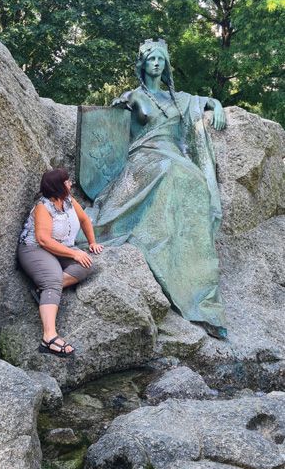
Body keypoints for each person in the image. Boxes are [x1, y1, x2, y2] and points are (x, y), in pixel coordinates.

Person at [86, 38, 228, 340]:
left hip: (174, 156)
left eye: (161, 59)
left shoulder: (180, 99)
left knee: (192, 181)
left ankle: (196, 284)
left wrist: (216, 104)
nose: (156, 63)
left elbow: (204, 102)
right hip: (145, 158)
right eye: (151, 58)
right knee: (169, 171)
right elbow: (108, 130)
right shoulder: (131, 96)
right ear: (142, 63)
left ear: (166, 65)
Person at [18, 168, 103, 357]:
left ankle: (45, 292)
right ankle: (48, 338)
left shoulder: (69, 202)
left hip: (59, 248)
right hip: (35, 249)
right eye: (67, 181)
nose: (70, 183)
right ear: (58, 186)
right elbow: (43, 240)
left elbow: (84, 220)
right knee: (52, 278)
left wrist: (92, 243)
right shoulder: (43, 207)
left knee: (87, 264)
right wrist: (73, 254)